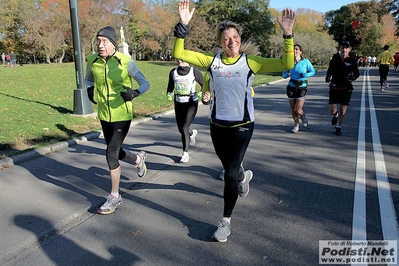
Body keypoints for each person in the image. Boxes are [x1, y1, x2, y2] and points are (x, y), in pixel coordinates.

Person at [173, 0, 295, 242]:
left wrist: (288, 35)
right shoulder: (212, 61)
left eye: (235, 36)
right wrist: (183, 26)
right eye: (226, 38)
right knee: (231, 168)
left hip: (242, 126)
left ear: (240, 39)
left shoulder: (250, 62)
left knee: (228, 173)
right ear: (221, 42)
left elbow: (286, 64)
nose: (232, 41)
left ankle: (225, 221)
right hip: (217, 126)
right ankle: (242, 176)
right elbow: (179, 53)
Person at [84, 26, 150, 215]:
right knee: (117, 152)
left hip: (122, 114)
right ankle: (138, 158)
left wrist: (134, 93)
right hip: (105, 115)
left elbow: (145, 83)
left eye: (104, 41)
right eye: (98, 41)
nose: (100, 45)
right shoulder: (92, 61)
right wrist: (90, 89)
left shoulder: (125, 61)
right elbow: (89, 79)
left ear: (113, 44)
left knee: (111, 153)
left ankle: (115, 196)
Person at [166, 59, 204, 163]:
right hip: (178, 103)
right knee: (181, 129)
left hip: (191, 103)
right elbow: (170, 86)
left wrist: (202, 93)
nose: (179, 60)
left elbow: (204, 85)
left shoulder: (194, 71)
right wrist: (169, 93)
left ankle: (185, 153)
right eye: (177, 58)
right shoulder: (173, 72)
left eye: (181, 58)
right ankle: (191, 134)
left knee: (184, 128)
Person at [325, 41, 359, 136]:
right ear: (339, 49)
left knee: (343, 110)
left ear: (349, 49)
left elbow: (357, 74)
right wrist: (328, 76)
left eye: (346, 48)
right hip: (335, 86)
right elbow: (330, 70)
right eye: (342, 47)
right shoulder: (335, 59)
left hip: (346, 87)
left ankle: (339, 126)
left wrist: (351, 78)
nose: (344, 49)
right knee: (333, 110)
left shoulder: (352, 61)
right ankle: (335, 115)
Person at [282, 44, 316, 133]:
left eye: (297, 49)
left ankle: (303, 116)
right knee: (293, 109)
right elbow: (284, 74)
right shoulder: (289, 62)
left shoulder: (305, 62)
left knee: (298, 109)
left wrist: (306, 75)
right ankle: (296, 125)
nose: (295, 50)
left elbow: (313, 71)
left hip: (301, 87)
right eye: (293, 49)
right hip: (291, 87)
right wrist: (286, 75)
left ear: (300, 52)